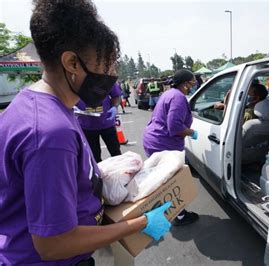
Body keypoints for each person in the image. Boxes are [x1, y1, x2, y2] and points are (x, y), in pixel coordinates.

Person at [0, 1, 171, 264]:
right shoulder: (49, 133)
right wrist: (140, 223)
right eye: (104, 66)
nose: (110, 76)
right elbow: (54, 244)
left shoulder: (38, 106)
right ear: (71, 63)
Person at [143, 69, 199, 226]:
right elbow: (174, 127)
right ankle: (179, 215)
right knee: (171, 182)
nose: (194, 85)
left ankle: (162, 211)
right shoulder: (179, 98)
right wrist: (191, 132)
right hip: (163, 145)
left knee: (160, 180)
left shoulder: (169, 94)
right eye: (192, 82)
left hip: (154, 139)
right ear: (185, 84)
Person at [76, 82, 122, 163]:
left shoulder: (106, 78)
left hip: (107, 124)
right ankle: (99, 175)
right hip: (87, 126)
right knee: (94, 157)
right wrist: (71, 108)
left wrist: (115, 106)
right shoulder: (76, 79)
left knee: (116, 154)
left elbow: (116, 96)